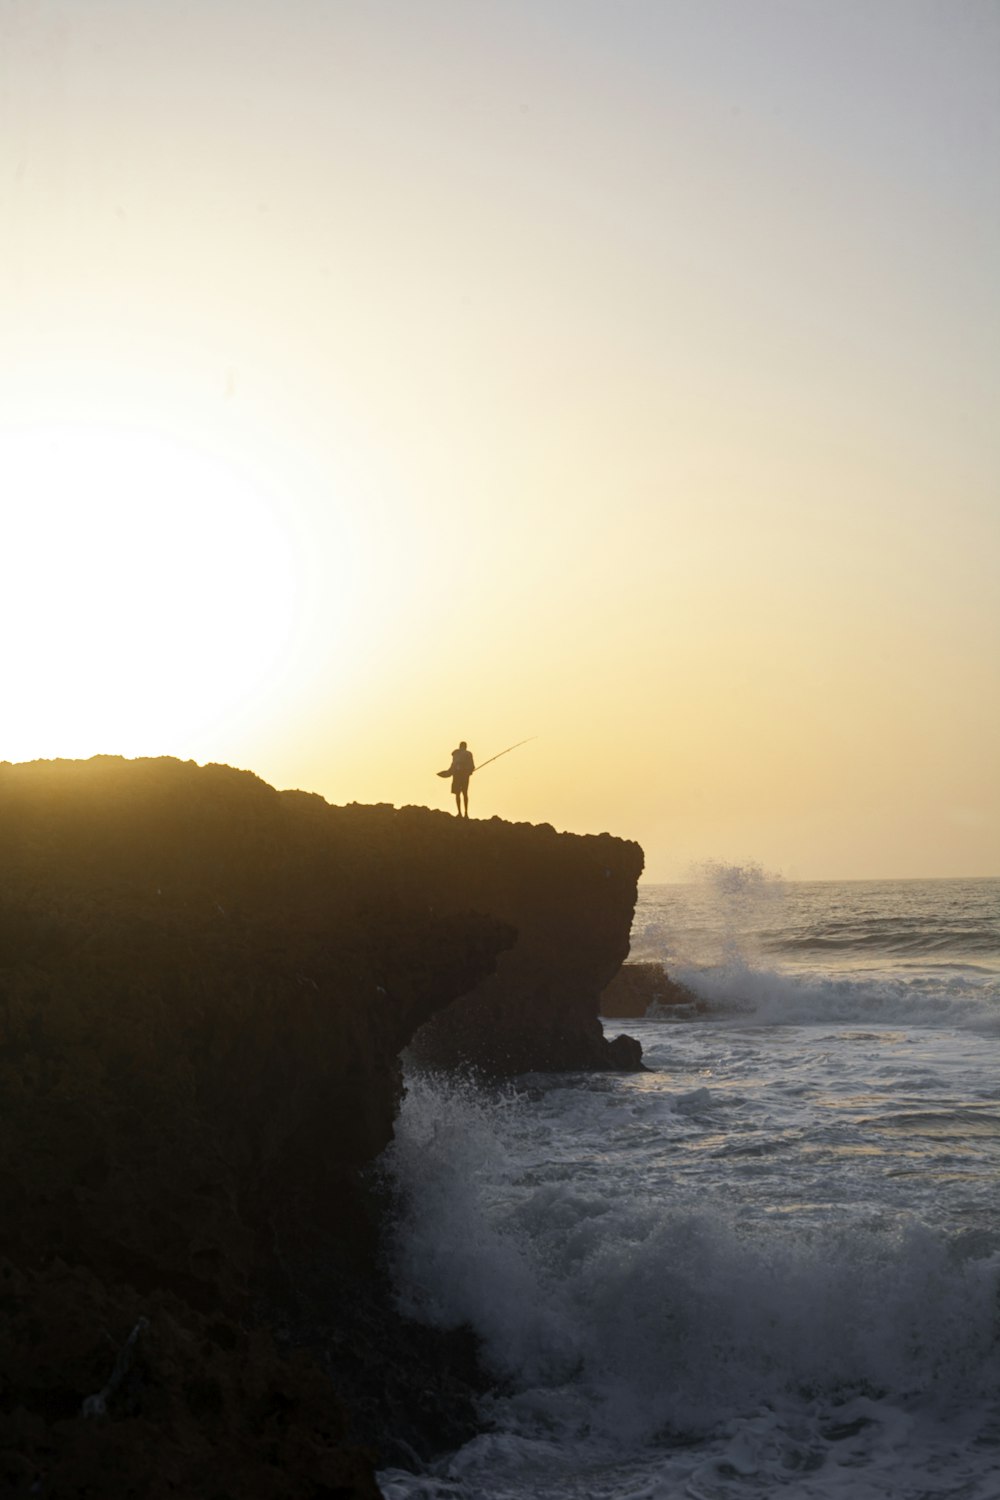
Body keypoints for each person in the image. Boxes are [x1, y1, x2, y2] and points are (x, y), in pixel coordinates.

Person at [448, 740, 475, 818]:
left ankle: (459, 813)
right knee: (465, 794)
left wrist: (449, 772)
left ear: (460, 746)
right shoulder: (469, 754)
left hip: (456, 776)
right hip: (465, 776)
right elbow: (472, 766)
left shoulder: (456, 754)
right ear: (465, 747)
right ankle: (466, 813)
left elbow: (452, 765)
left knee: (457, 794)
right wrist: (470, 771)